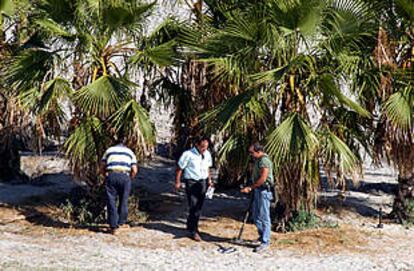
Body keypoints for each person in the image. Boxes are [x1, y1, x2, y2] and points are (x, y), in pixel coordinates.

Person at [175, 136, 213, 241]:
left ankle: (191, 225)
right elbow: (179, 168)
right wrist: (178, 182)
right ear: (197, 145)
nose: (204, 149)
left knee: (199, 206)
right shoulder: (188, 154)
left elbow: (207, 167)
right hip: (191, 181)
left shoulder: (207, 154)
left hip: (203, 181)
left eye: (206, 147)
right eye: (202, 147)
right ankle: (193, 230)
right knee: (194, 205)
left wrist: (209, 180)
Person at [101, 135, 138, 235]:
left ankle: (113, 226)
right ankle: (121, 222)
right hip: (124, 175)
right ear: (125, 144)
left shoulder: (109, 150)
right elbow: (134, 169)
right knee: (124, 200)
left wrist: (105, 175)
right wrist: (130, 178)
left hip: (112, 174)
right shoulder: (130, 152)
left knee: (111, 200)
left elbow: (103, 166)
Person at [241, 142, 274, 252]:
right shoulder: (258, 161)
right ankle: (261, 236)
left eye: (252, 152)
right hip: (258, 191)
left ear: (258, 151)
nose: (251, 155)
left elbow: (263, 178)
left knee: (264, 217)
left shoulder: (264, 160)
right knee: (256, 215)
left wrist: (250, 187)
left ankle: (265, 241)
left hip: (264, 191)